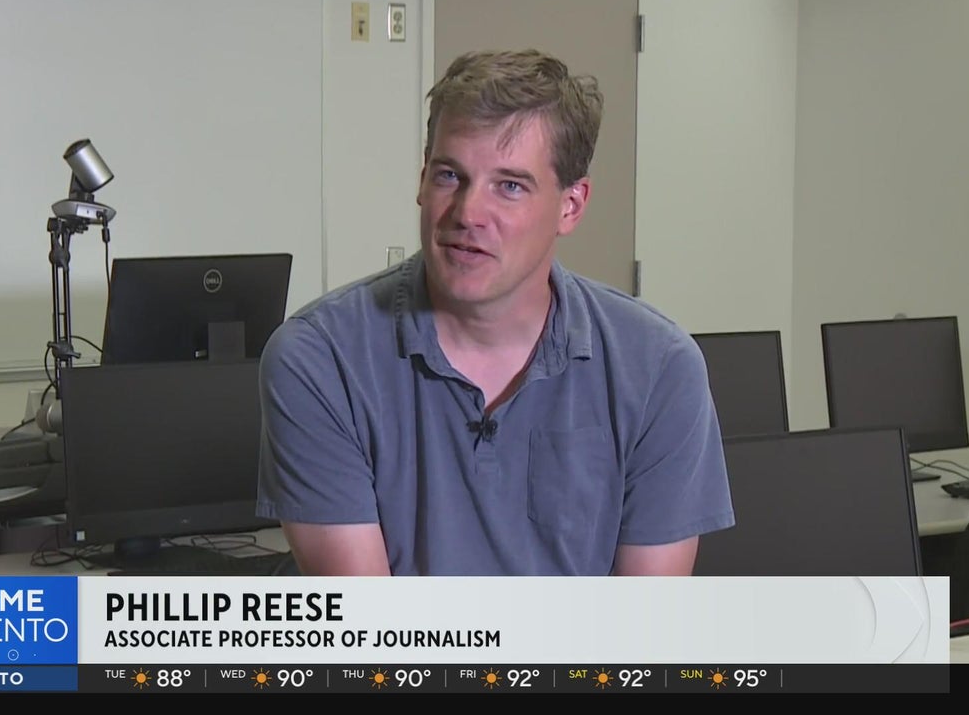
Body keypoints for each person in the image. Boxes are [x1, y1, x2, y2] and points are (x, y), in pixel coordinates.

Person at [256, 49, 734, 576]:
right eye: (449, 176)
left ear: (571, 205)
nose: (468, 213)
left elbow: (642, 618)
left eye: (509, 186)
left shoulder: (659, 367)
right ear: (421, 181)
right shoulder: (320, 359)